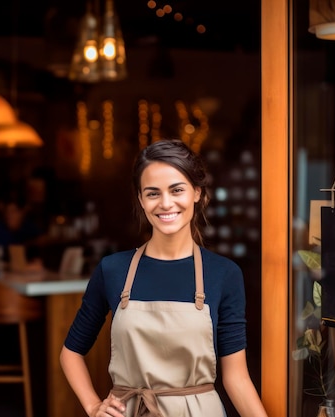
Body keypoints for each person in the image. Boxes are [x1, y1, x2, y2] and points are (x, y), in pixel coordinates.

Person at [59, 139, 268, 417]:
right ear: (141, 199)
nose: (166, 203)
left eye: (177, 190)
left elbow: (236, 378)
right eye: (153, 193)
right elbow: (70, 353)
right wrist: (93, 405)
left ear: (197, 192)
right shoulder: (113, 270)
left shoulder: (223, 274)